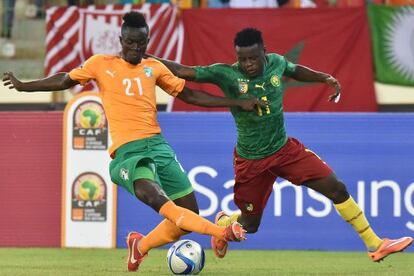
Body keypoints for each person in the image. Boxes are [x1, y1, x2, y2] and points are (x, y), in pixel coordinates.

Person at [1, 13, 273, 272]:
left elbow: (192, 97)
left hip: (158, 146)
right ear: (121, 41)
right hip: (129, 153)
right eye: (129, 42)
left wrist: (237, 102)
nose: (134, 48)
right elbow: (64, 79)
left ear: (147, 42)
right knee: (158, 199)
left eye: (140, 43)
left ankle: (139, 245)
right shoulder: (100, 64)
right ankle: (221, 231)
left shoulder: (154, 68)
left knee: (189, 213)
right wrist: (25, 86)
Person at [149, 27, 413, 262]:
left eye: (253, 58)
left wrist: (324, 78)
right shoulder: (227, 74)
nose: (248, 64)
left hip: (285, 150)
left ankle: (375, 244)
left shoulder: (276, 62)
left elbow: (295, 70)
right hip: (251, 162)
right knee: (250, 226)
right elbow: (185, 71)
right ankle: (225, 222)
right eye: (242, 59)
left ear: (264, 52)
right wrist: (148, 58)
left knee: (337, 188)